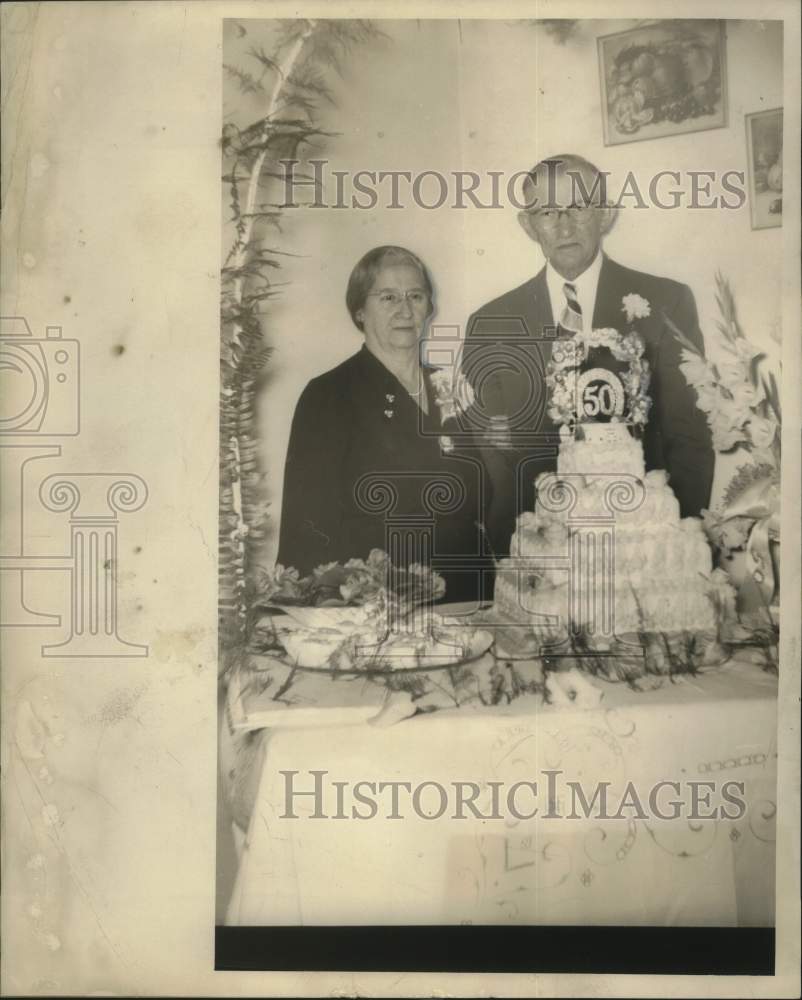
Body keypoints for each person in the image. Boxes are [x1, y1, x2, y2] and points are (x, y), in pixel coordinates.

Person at [463, 153, 714, 556]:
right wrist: (515, 543)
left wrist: (675, 540)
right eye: (547, 211)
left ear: (606, 214)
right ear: (528, 225)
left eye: (578, 207)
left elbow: (689, 435)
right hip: (532, 550)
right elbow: (488, 452)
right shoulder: (489, 323)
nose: (564, 225)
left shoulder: (667, 302)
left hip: (643, 546)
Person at [278, 245, 490, 603]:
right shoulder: (328, 395)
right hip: (378, 606)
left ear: (429, 307)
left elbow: (480, 495)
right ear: (359, 310)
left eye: (415, 296)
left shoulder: (450, 386)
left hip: (465, 598)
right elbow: (307, 524)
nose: (404, 310)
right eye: (388, 297)